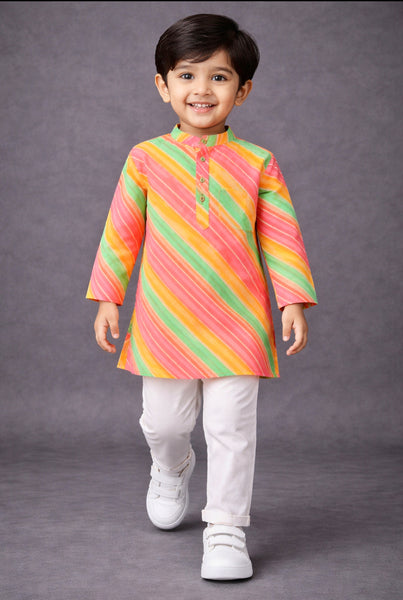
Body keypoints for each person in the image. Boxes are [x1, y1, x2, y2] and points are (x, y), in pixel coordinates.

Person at [86, 13, 317, 581]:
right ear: (163, 85)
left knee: (232, 428)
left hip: (239, 318)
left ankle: (226, 530)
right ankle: (172, 466)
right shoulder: (145, 158)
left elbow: (280, 235)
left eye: (219, 77)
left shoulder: (258, 162)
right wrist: (109, 295)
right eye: (187, 75)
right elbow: (122, 232)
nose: (202, 90)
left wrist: (291, 298)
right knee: (164, 423)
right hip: (165, 317)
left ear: (243, 90)